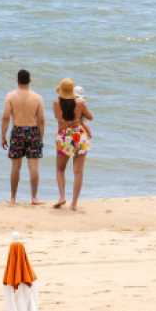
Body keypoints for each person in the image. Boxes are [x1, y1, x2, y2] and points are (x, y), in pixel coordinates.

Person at [1, 70, 45, 205]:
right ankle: (34, 198)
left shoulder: (10, 96)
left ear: (17, 81)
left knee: (15, 165)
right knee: (33, 166)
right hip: (32, 131)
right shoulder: (37, 97)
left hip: (17, 131)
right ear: (30, 81)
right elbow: (41, 120)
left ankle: (13, 197)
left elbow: (6, 117)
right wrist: (40, 138)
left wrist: (3, 136)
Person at [53, 78, 93, 211]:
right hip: (79, 136)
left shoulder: (56, 102)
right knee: (78, 171)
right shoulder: (80, 103)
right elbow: (90, 117)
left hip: (64, 136)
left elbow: (57, 117)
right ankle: (74, 204)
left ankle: (62, 197)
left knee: (60, 169)